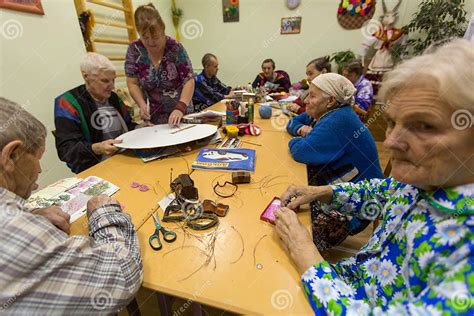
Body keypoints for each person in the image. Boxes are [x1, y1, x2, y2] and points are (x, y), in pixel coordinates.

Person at [275, 39, 474, 315]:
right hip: (351, 279)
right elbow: (383, 190)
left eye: (425, 126)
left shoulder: (466, 256)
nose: (391, 142)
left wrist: (305, 251)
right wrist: (323, 192)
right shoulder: (425, 181)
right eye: (392, 122)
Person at [0, 98, 143, 313]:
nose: (39, 170)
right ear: (11, 155)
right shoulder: (70, 103)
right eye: (38, 159)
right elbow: (122, 274)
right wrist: (104, 213)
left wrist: (29, 214)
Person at [286, 73, 383, 250]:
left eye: (312, 96)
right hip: (338, 189)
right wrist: (301, 130)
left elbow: (301, 151)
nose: (306, 100)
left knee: (292, 237)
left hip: (355, 208)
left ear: (330, 101)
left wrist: (295, 139)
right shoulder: (326, 112)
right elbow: (293, 122)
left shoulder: (339, 120)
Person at [54, 53, 139, 174]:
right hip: (94, 168)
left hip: (124, 160)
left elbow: (128, 125)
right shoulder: (67, 102)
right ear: (86, 76)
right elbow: (66, 150)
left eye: (113, 80)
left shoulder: (114, 98)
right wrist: (98, 148)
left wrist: (139, 127)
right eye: (105, 81)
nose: (112, 86)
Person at [125, 3, 195, 125]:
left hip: (181, 112)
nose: (151, 42)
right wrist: (141, 104)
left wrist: (181, 106)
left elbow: (189, 79)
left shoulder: (174, 47)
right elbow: (132, 83)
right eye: (145, 38)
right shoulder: (134, 50)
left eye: (156, 37)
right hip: (156, 117)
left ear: (163, 29)